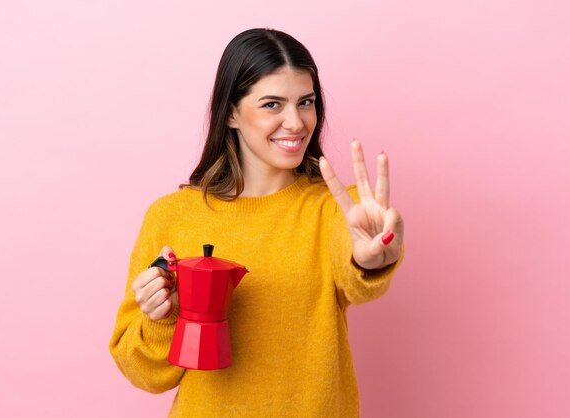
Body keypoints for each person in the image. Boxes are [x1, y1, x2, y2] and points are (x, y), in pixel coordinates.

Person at [109, 28, 405, 417]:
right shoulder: (171, 216)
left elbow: (357, 280)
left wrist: (371, 258)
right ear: (231, 112)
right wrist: (163, 316)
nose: (296, 122)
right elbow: (145, 375)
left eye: (306, 102)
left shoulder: (336, 209)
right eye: (272, 104)